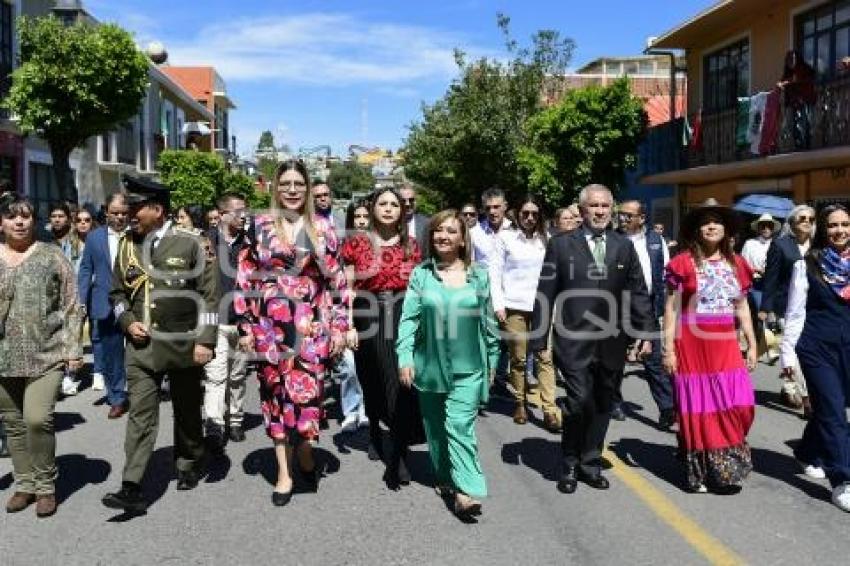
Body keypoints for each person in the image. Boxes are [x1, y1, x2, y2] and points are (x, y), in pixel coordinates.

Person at [101, 177, 220, 513]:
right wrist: (126, 321)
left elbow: (210, 298)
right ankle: (132, 485)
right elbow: (116, 294)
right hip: (140, 348)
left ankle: (188, 461)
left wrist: (206, 341)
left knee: (186, 411)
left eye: (136, 207)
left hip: (183, 344)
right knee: (140, 415)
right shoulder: (127, 245)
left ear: (157, 209)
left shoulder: (191, 243)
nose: (129, 213)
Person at [234, 160, 349, 507]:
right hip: (268, 329)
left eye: (299, 183)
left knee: (306, 398)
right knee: (274, 398)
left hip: (310, 327)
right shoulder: (259, 225)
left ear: (308, 188)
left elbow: (338, 281)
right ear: (275, 188)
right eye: (286, 183)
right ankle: (284, 473)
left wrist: (341, 326)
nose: (293, 190)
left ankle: (305, 449)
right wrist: (244, 326)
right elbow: (244, 276)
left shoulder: (324, 229)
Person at [531, 184, 654, 494]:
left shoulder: (622, 246)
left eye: (605, 206)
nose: (600, 211)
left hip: (612, 341)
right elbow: (546, 292)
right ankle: (569, 462)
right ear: (582, 210)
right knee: (577, 401)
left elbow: (637, 292)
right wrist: (538, 339)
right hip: (573, 340)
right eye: (594, 206)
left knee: (602, 403)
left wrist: (645, 334)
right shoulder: (561, 245)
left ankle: (590, 462)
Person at [397, 209, 500, 518]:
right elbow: (408, 320)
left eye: (451, 231)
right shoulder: (421, 274)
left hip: (469, 367)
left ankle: (467, 490)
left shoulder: (479, 275)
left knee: (458, 424)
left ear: (462, 238)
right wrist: (404, 357)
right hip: (428, 365)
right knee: (435, 427)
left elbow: (489, 324)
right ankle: (444, 475)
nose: (443, 236)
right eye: (438, 230)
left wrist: (492, 362)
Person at [663, 199, 757, 494]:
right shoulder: (681, 263)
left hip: (726, 344)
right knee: (700, 407)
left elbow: (742, 308)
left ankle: (725, 465)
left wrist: (753, 344)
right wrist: (668, 349)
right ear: (697, 230)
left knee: (740, 405)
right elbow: (671, 310)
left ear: (727, 229)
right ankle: (705, 473)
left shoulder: (738, 264)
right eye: (705, 222)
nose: (712, 226)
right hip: (691, 344)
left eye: (717, 221)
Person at [0, 196, 83, 518]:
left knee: (37, 419)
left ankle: (46, 486)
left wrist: (73, 349)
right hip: (4, 356)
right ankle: (25, 484)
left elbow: (72, 303)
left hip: (45, 354)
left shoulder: (51, 255)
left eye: (25, 216)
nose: (19, 222)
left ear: (34, 221)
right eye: (11, 217)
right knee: (13, 424)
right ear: (1, 223)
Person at [341, 186, 422, 488]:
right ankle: (375, 429)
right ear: (373, 208)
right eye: (382, 204)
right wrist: (347, 324)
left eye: (394, 204)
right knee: (371, 378)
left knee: (399, 383)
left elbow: (420, 287)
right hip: (366, 314)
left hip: (402, 313)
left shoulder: (412, 246)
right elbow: (347, 287)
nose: (388, 209)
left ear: (402, 211)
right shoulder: (357, 244)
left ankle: (398, 453)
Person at [782, 205, 850, 512]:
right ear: (824, 229)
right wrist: (787, 355)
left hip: (848, 345)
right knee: (834, 412)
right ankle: (843, 481)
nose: (840, 231)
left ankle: (810, 449)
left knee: (831, 406)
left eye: (845, 224)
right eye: (833, 225)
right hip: (816, 347)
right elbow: (795, 312)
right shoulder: (808, 263)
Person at [490, 194, 560, 433]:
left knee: (545, 357)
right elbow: (495, 273)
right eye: (525, 213)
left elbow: (554, 274)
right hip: (513, 306)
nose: (529, 218)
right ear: (517, 214)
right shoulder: (505, 238)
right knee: (518, 359)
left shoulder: (547, 239)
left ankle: (549, 409)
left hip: (542, 306)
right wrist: (498, 305)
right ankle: (520, 402)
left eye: (534, 214)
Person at [615, 200, 675, 430]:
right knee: (615, 360)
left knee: (655, 360)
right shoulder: (613, 240)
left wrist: (663, 307)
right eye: (621, 215)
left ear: (642, 218)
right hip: (618, 309)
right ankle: (614, 401)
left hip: (648, 308)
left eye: (629, 216)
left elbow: (665, 274)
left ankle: (667, 409)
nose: (623, 219)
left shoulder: (655, 241)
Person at [203, 193, 251, 451]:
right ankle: (214, 424)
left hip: (242, 322)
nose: (244, 216)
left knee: (238, 375)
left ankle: (235, 419)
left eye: (245, 211)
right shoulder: (205, 243)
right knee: (216, 375)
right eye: (238, 211)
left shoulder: (249, 244)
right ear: (222, 215)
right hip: (215, 322)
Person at [77, 193, 130, 418]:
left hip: (135, 303)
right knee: (111, 353)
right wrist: (81, 300)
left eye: (124, 213)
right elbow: (86, 270)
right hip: (105, 303)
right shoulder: (94, 238)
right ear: (106, 212)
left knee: (139, 352)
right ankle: (117, 396)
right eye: (115, 213)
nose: (119, 217)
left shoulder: (138, 236)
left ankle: (142, 393)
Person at [761, 205, 816, 413]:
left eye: (811, 219)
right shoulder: (781, 245)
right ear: (792, 223)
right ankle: (807, 396)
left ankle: (789, 386)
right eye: (802, 218)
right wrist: (766, 307)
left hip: (814, 308)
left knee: (808, 351)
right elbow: (771, 278)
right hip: (786, 307)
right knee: (793, 350)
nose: (807, 222)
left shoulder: (818, 246)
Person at [742, 213, 781, 361]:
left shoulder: (778, 244)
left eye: (769, 226)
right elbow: (743, 265)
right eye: (763, 225)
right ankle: (769, 349)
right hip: (756, 284)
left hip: (774, 285)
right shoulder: (750, 244)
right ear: (758, 228)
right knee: (762, 313)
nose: (766, 228)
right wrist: (755, 270)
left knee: (771, 317)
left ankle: (764, 346)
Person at [470, 187, 512, 269]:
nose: (492, 212)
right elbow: (471, 263)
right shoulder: (474, 233)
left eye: (496, 207)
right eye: (488, 208)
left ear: (505, 206)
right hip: (484, 281)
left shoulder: (516, 231)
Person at [400, 183, 430, 256]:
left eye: (411, 200)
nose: (407, 204)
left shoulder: (426, 223)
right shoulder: (388, 224)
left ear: (416, 201)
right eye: (403, 200)